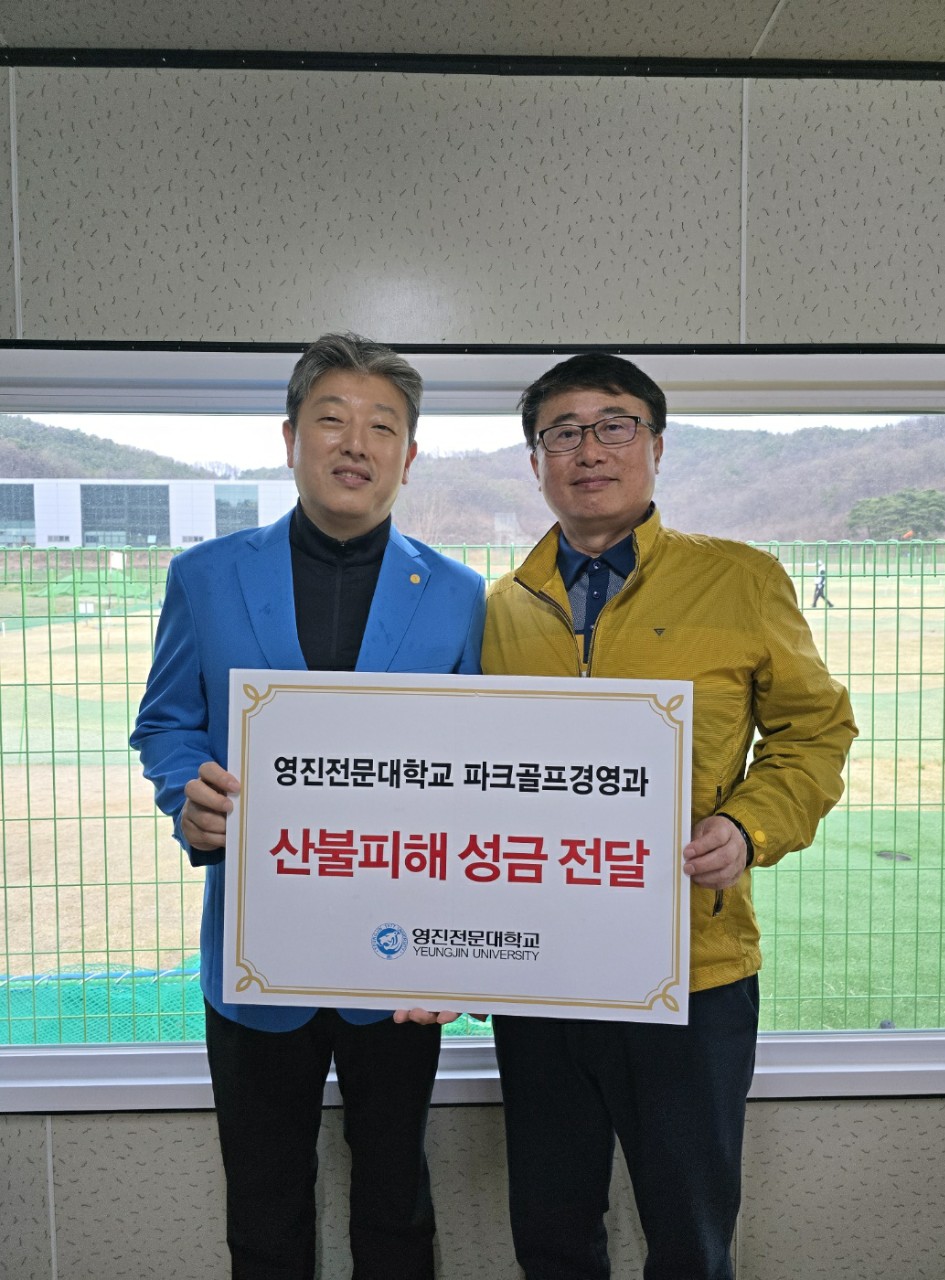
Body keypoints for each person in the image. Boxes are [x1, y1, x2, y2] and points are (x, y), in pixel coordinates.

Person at [481, 353, 856, 1280]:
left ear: (656, 446)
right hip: (541, 977)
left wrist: (748, 828)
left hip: (693, 970)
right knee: (552, 1232)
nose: (589, 451)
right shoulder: (496, 608)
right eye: (562, 433)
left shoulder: (741, 581)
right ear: (535, 461)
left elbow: (815, 733)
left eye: (614, 426)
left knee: (690, 1236)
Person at [131, 333, 485, 1280]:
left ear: (409, 456)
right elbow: (167, 723)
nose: (355, 443)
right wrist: (186, 791)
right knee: (263, 1210)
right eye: (332, 419)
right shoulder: (205, 577)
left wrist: (461, 945)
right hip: (255, 955)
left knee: (397, 1206)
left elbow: (477, 774)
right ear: (290, 439)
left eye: (382, 427)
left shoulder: (458, 596)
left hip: (400, 966)